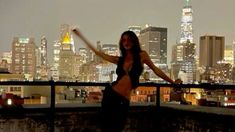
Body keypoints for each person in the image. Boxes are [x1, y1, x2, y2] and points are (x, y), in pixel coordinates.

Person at [72, 28, 181, 132]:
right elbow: (98, 53)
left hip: (124, 100)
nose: (126, 42)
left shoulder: (142, 55)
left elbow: (156, 70)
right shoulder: (119, 60)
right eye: (124, 40)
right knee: (107, 127)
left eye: (129, 39)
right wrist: (81, 36)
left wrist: (172, 82)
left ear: (134, 41)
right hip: (111, 95)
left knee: (118, 127)